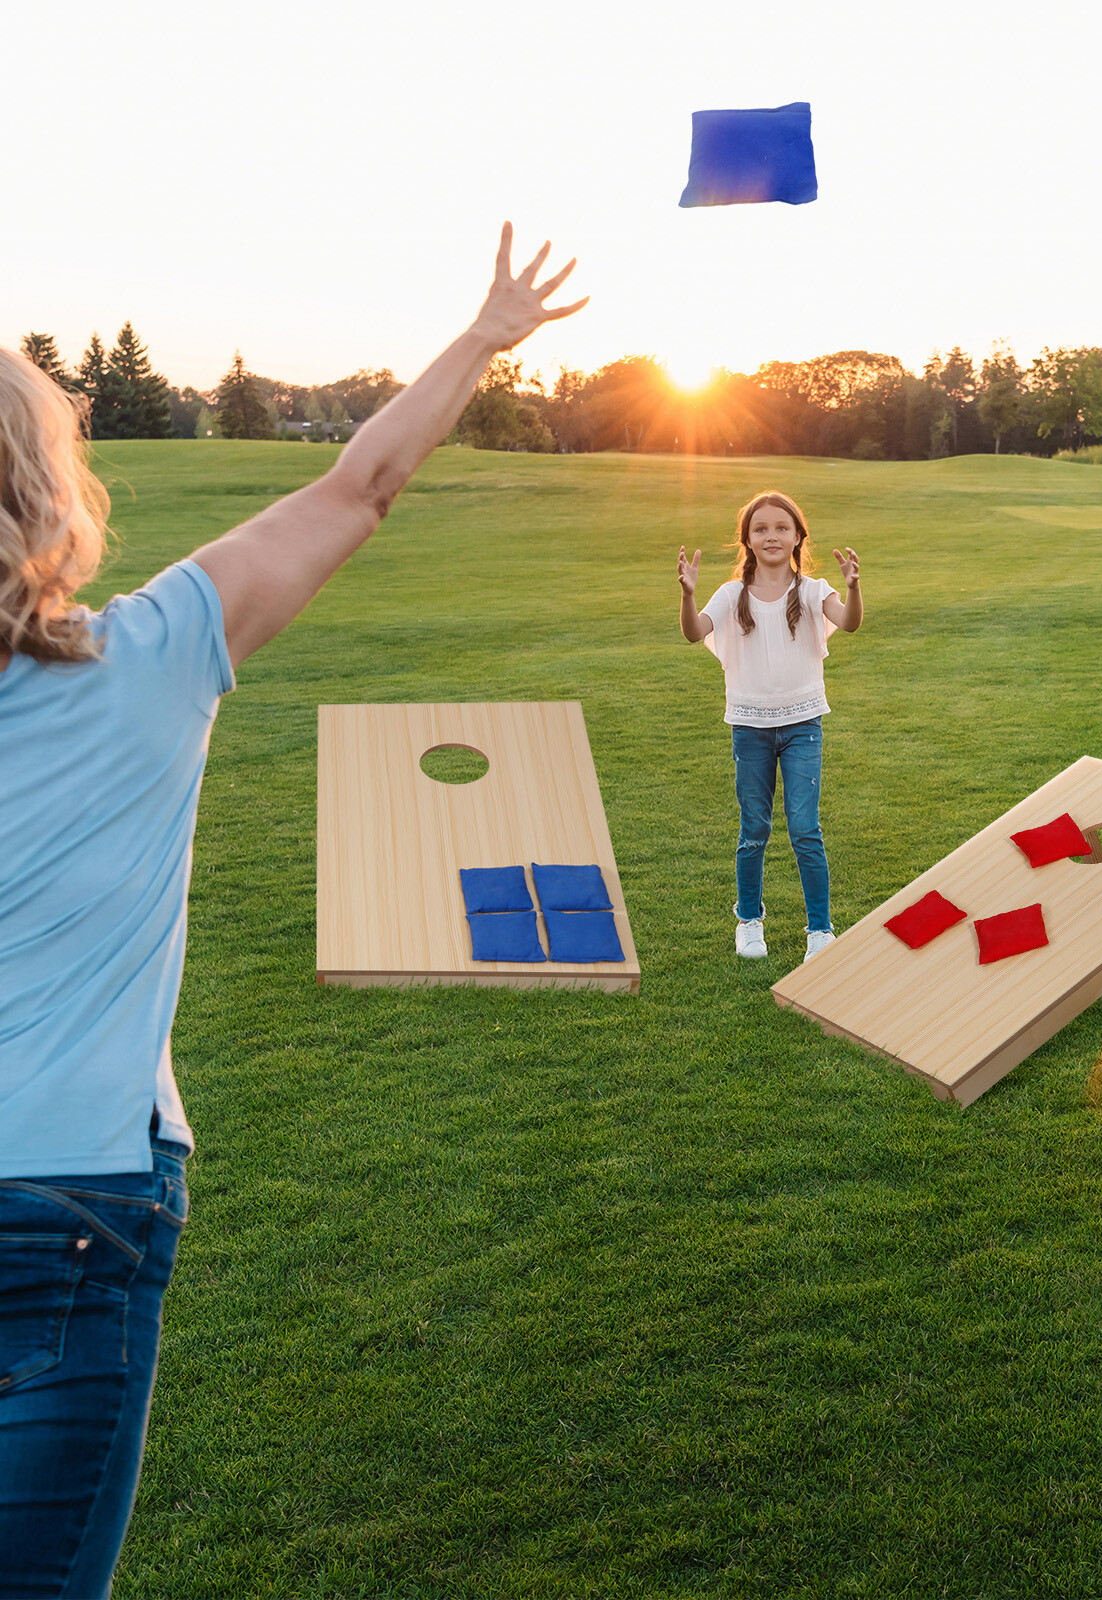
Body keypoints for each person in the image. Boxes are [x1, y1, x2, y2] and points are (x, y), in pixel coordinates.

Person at [0, 224, 585, 1598]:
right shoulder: (147, 658)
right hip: (69, 1206)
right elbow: (360, 484)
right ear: (49, 489)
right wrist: (487, 334)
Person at [677, 492, 863, 962]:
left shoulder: (814, 590)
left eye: (782, 527)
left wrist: (855, 588)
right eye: (761, 528)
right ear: (748, 540)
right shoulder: (730, 595)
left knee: (805, 829)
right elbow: (694, 632)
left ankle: (819, 930)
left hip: (803, 725)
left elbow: (850, 622)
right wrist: (688, 596)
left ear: (798, 536)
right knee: (754, 829)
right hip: (749, 727)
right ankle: (749, 920)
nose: (772, 535)